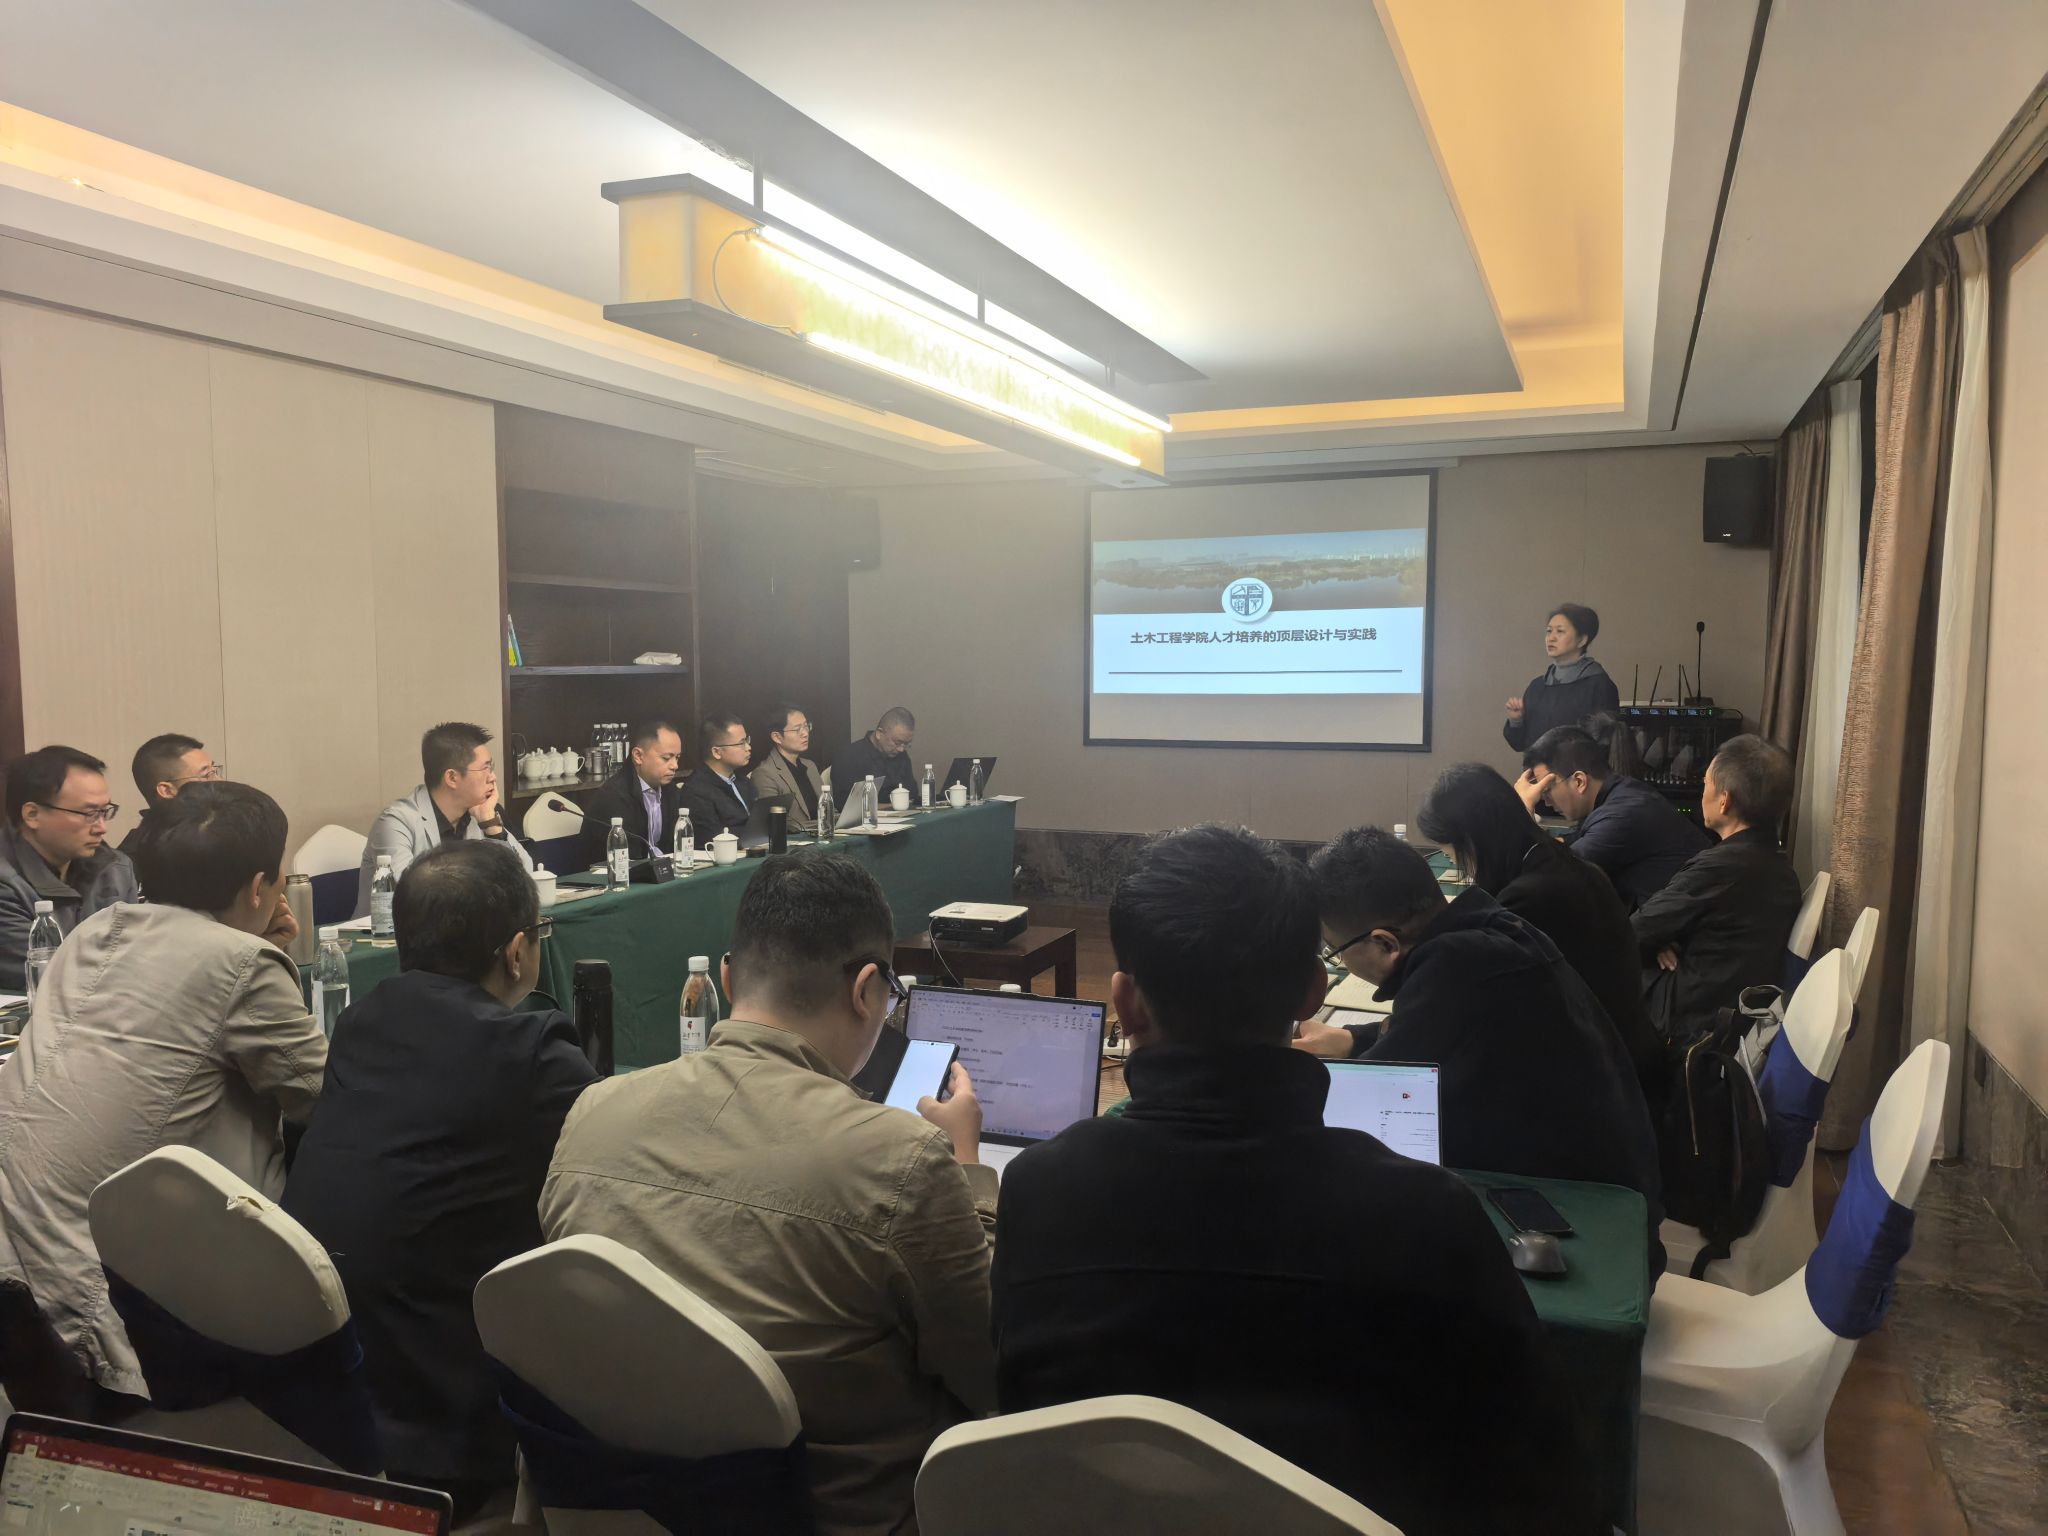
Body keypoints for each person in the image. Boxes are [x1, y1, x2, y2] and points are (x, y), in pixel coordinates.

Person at [991, 826, 1599, 1534]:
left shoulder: (1038, 1192)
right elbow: (1544, 1481)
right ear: (1313, 992)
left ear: (1125, 1003)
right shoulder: (1428, 1214)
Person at [540, 852, 993, 1535]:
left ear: (726, 979)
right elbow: (989, 1368)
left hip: (624, 1510)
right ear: (866, 990)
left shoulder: (591, 1114)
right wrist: (968, 1169)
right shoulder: (902, 1159)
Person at [284, 841, 596, 1516]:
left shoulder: (359, 1022)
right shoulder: (530, 1051)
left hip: (331, 1385)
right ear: (517, 952)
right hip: (449, 1414)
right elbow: (614, 1160)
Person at [0, 782, 325, 1405]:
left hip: (19, 1261)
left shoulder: (95, 930)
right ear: (260, 886)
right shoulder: (243, 965)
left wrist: (253, 944)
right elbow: (322, 1098)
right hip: (112, 1301)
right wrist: (256, 950)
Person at [1294, 828, 1662, 1269]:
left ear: (1386, 943)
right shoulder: (1490, 927)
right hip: (1614, 1190)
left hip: (1591, 1231)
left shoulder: (1455, 969)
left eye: (1336, 951)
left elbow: (1372, 1100)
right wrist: (1354, 1038)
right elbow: (1440, 1028)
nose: (1338, 960)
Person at [1418, 762, 1668, 1103]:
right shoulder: (1561, 863)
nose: (1459, 866)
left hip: (1601, 1088)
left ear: (1475, 841)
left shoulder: (1529, 899)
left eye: (1454, 854)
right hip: (1627, 1061)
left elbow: (1480, 1013)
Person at [1633, 734, 1805, 1044]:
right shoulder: (1780, 868)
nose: (1703, 793)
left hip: (1680, 1023)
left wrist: (1656, 939)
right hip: (1728, 1016)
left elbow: (1633, 932)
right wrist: (1659, 939)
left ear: (1724, 800)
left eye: (1705, 784)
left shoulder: (1720, 868)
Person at [1518, 722, 1708, 909]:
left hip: (1683, 926)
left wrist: (1523, 808)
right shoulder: (1620, 794)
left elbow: (1551, 877)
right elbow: (1567, 846)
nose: (1546, 801)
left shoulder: (1622, 814)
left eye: (1547, 790)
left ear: (1579, 781)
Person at [0, 746, 140, 991]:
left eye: (105, 811)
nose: (102, 827)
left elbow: (137, 953)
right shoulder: (6, 883)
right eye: (89, 813)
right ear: (32, 814)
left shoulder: (115, 867)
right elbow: (51, 976)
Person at [356, 722, 530, 918]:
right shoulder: (395, 822)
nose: (493, 777)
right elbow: (410, 896)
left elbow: (525, 876)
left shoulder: (480, 815)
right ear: (452, 778)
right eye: (485, 769)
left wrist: (492, 827)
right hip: (390, 935)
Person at [1502, 602, 1621, 754]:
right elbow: (1519, 744)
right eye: (1549, 631)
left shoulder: (1599, 685)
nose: (1551, 638)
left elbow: (1605, 745)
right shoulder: (1537, 687)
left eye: (1560, 631)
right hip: (1537, 769)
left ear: (1582, 640)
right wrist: (1516, 720)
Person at [577, 720, 686, 865]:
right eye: (666, 758)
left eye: (677, 757)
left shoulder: (670, 791)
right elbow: (625, 857)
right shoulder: (614, 797)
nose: (675, 765)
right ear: (638, 756)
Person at [120, 733, 222, 854]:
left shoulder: (219, 830)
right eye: (206, 775)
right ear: (166, 790)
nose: (219, 780)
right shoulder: (137, 856)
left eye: (214, 771)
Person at [750, 703, 825, 833]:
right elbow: (773, 822)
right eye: (797, 729)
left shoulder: (810, 766)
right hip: (795, 840)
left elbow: (827, 808)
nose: (805, 733)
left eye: (806, 726)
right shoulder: (765, 773)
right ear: (777, 737)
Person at [677, 714, 754, 837]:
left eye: (747, 740)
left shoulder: (744, 782)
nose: (748, 747)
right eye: (741, 743)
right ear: (717, 752)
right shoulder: (697, 791)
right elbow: (711, 838)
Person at [829, 706, 916, 806]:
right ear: (879, 733)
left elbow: (912, 793)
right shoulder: (848, 756)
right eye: (897, 742)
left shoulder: (901, 756)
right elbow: (844, 803)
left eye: (906, 744)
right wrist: (890, 806)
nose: (901, 749)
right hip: (866, 815)